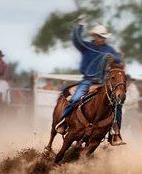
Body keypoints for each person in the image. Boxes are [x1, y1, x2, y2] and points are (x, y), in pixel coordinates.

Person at [54, 17, 126, 146]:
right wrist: (79, 25)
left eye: (103, 37)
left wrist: (113, 57)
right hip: (87, 80)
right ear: (94, 36)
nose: (102, 39)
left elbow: (119, 61)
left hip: (102, 83)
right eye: (100, 36)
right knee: (75, 98)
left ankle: (116, 133)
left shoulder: (108, 49)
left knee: (117, 105)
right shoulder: (87, 46)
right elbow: (77, 40)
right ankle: (63, 122)